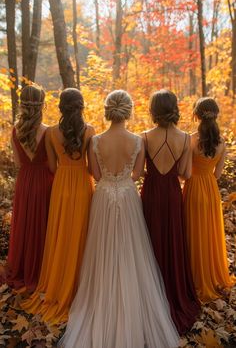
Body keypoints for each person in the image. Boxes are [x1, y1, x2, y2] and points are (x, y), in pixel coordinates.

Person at [59, 90, 179, 348]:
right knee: (130, 251)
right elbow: (137, 174)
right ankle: (130, 300)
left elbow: (95, 173)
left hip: (103, 197)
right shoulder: (137, 141)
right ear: (128, 110)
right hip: (127, 197)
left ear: (107, 110)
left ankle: (102, 300)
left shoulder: (95, 141)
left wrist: (111, 182)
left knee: (101, 251)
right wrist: (122, 181)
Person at [21, 88, 94, 324]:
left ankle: (59, 280)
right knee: (80, 234)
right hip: (83, 185)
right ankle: (79, 284)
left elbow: (52, 167)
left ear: (61, 107)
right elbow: (92, 167)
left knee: (62, 232)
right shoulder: (91, 131)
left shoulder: (52, 132)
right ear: (81, 106)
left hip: (61, 186)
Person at [141, 89, 200, 334]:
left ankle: (149, 292)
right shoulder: (186, 138)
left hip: (152, 193)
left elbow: (141, 171)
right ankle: (172, 291)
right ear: (174, 108)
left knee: (149, 239)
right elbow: (186, 174)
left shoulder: (144, 137)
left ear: (153, 110)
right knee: (172, 240)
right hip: (173, 195)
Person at [183, 97, 235, 302]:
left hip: (194, 188)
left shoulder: (190, 139)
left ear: (196, 115)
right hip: (210, 190)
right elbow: (218, 174)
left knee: (193, 230)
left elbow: (186, 173)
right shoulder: (222, 142)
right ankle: (212, 274)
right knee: (209, 232)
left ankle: (195, 276)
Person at [6, 84, 53, 292]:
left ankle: (22, 268)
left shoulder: (16, 131)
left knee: (25, 224)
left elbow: (18, 163)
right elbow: (53, 166)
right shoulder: (48, 132)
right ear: (41, 104)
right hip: (45, 182)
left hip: (25, 181)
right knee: (42, 224)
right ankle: (42, 269)